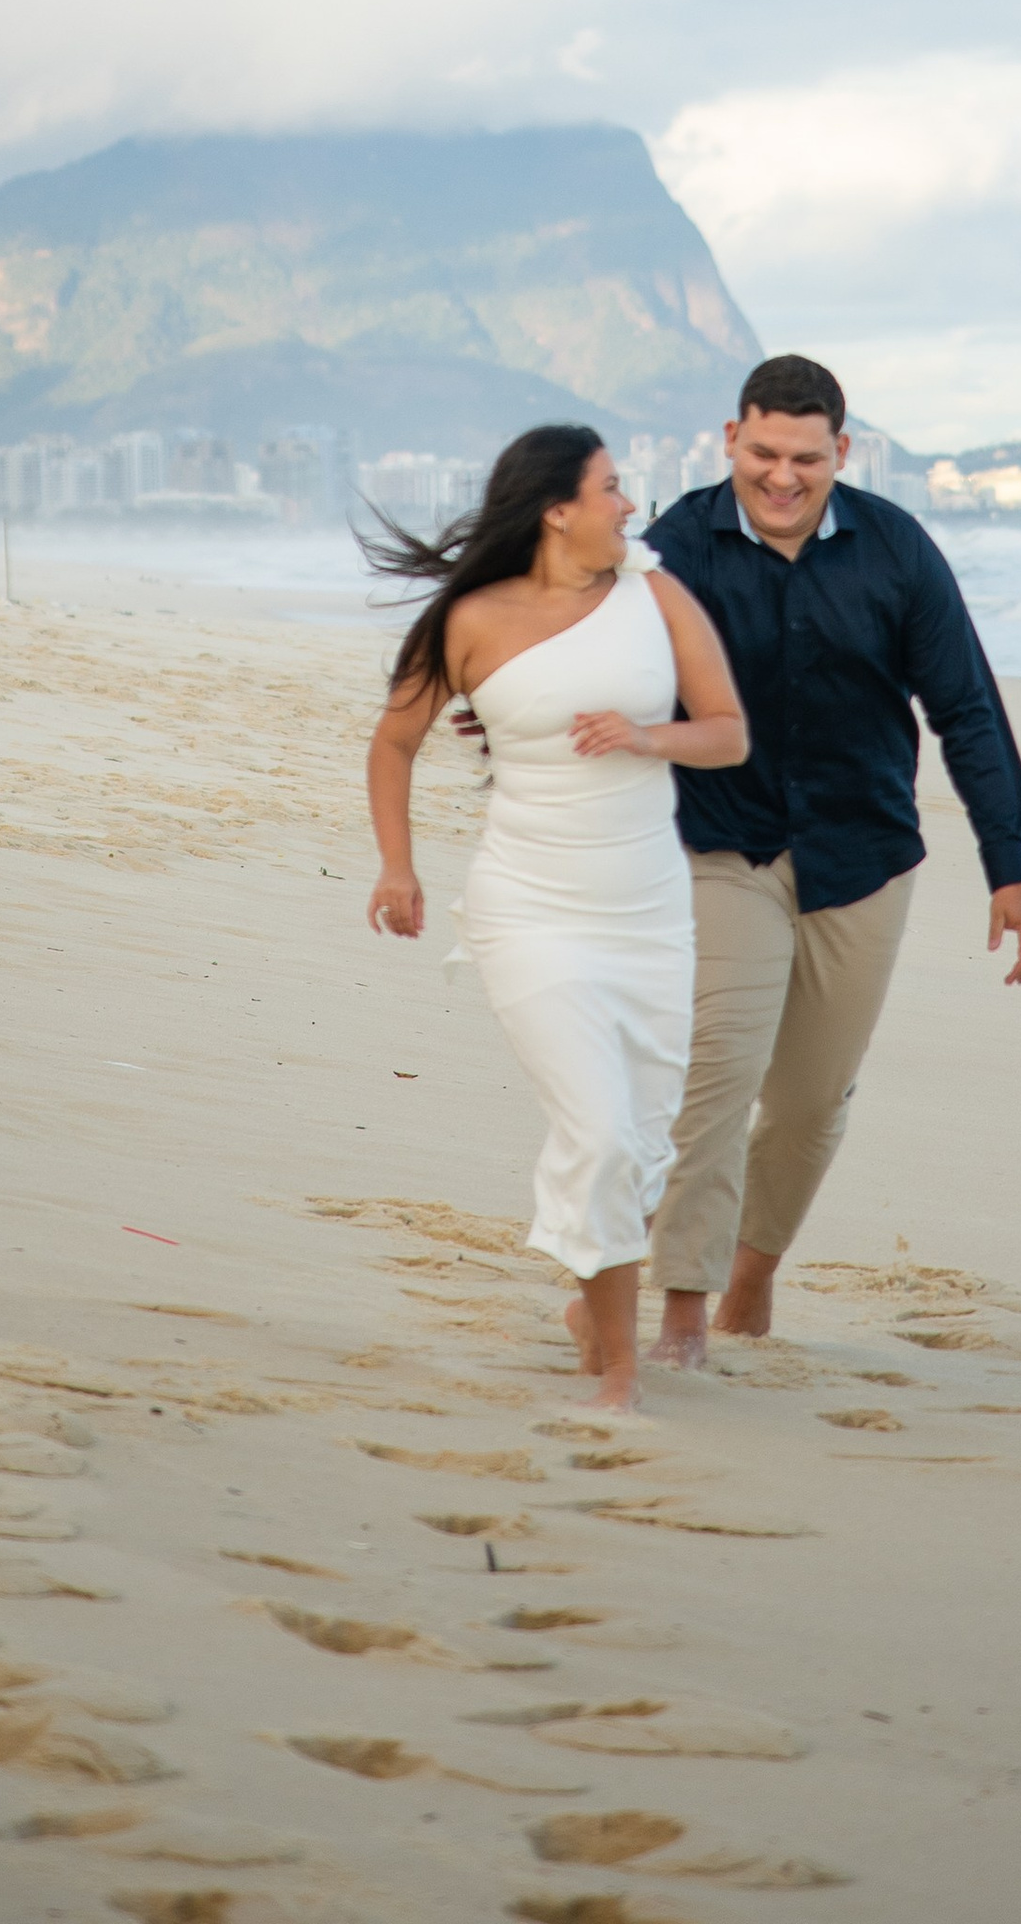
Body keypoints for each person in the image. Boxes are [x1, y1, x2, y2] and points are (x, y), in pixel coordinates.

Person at [639, 353, 1021, 1369]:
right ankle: (681, 1311)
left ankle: (752, 1274)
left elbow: (965, 709)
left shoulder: (895, 548)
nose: (783, 477)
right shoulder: (670, 546)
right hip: (718, 843)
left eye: (806, 458)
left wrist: (1010, 864)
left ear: (842, 451)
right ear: (729, 438)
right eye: (764, 452)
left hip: (861, 853)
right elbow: (590, 662)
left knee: (814, 1097)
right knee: (718, 1077)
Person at [363, 421, 747, 1415]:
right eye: (613, 487)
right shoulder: (471, 618)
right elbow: (395, 743)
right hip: (529, 909)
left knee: (646, 1142)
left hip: (645, 912)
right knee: (600, 1127)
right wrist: (396, 867)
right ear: (557, 508)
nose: (630, 504)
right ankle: (618, 1371)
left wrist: (646, 733)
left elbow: (729, 732)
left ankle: (591, 1306)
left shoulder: (655, 597)